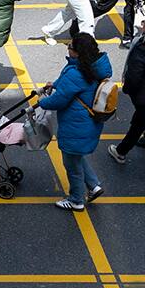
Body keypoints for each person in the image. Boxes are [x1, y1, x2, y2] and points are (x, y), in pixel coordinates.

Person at [36, 28, 112, 210]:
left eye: (70, 46)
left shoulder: (76, 73)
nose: (67, 48)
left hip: (75, 127)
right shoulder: (92, 67)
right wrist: (54, 84)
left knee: (71, 165)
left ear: (77, 53)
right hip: (88, 124)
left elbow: (59, 99)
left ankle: (76, 200)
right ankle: (94, 185)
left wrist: (42, 102)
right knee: (76, 156)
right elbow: (72, 87)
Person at [108, 31, 145, 164]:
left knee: (137, 125)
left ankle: (120, 152)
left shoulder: (142, 47)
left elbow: (134, 76)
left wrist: (127, 90)